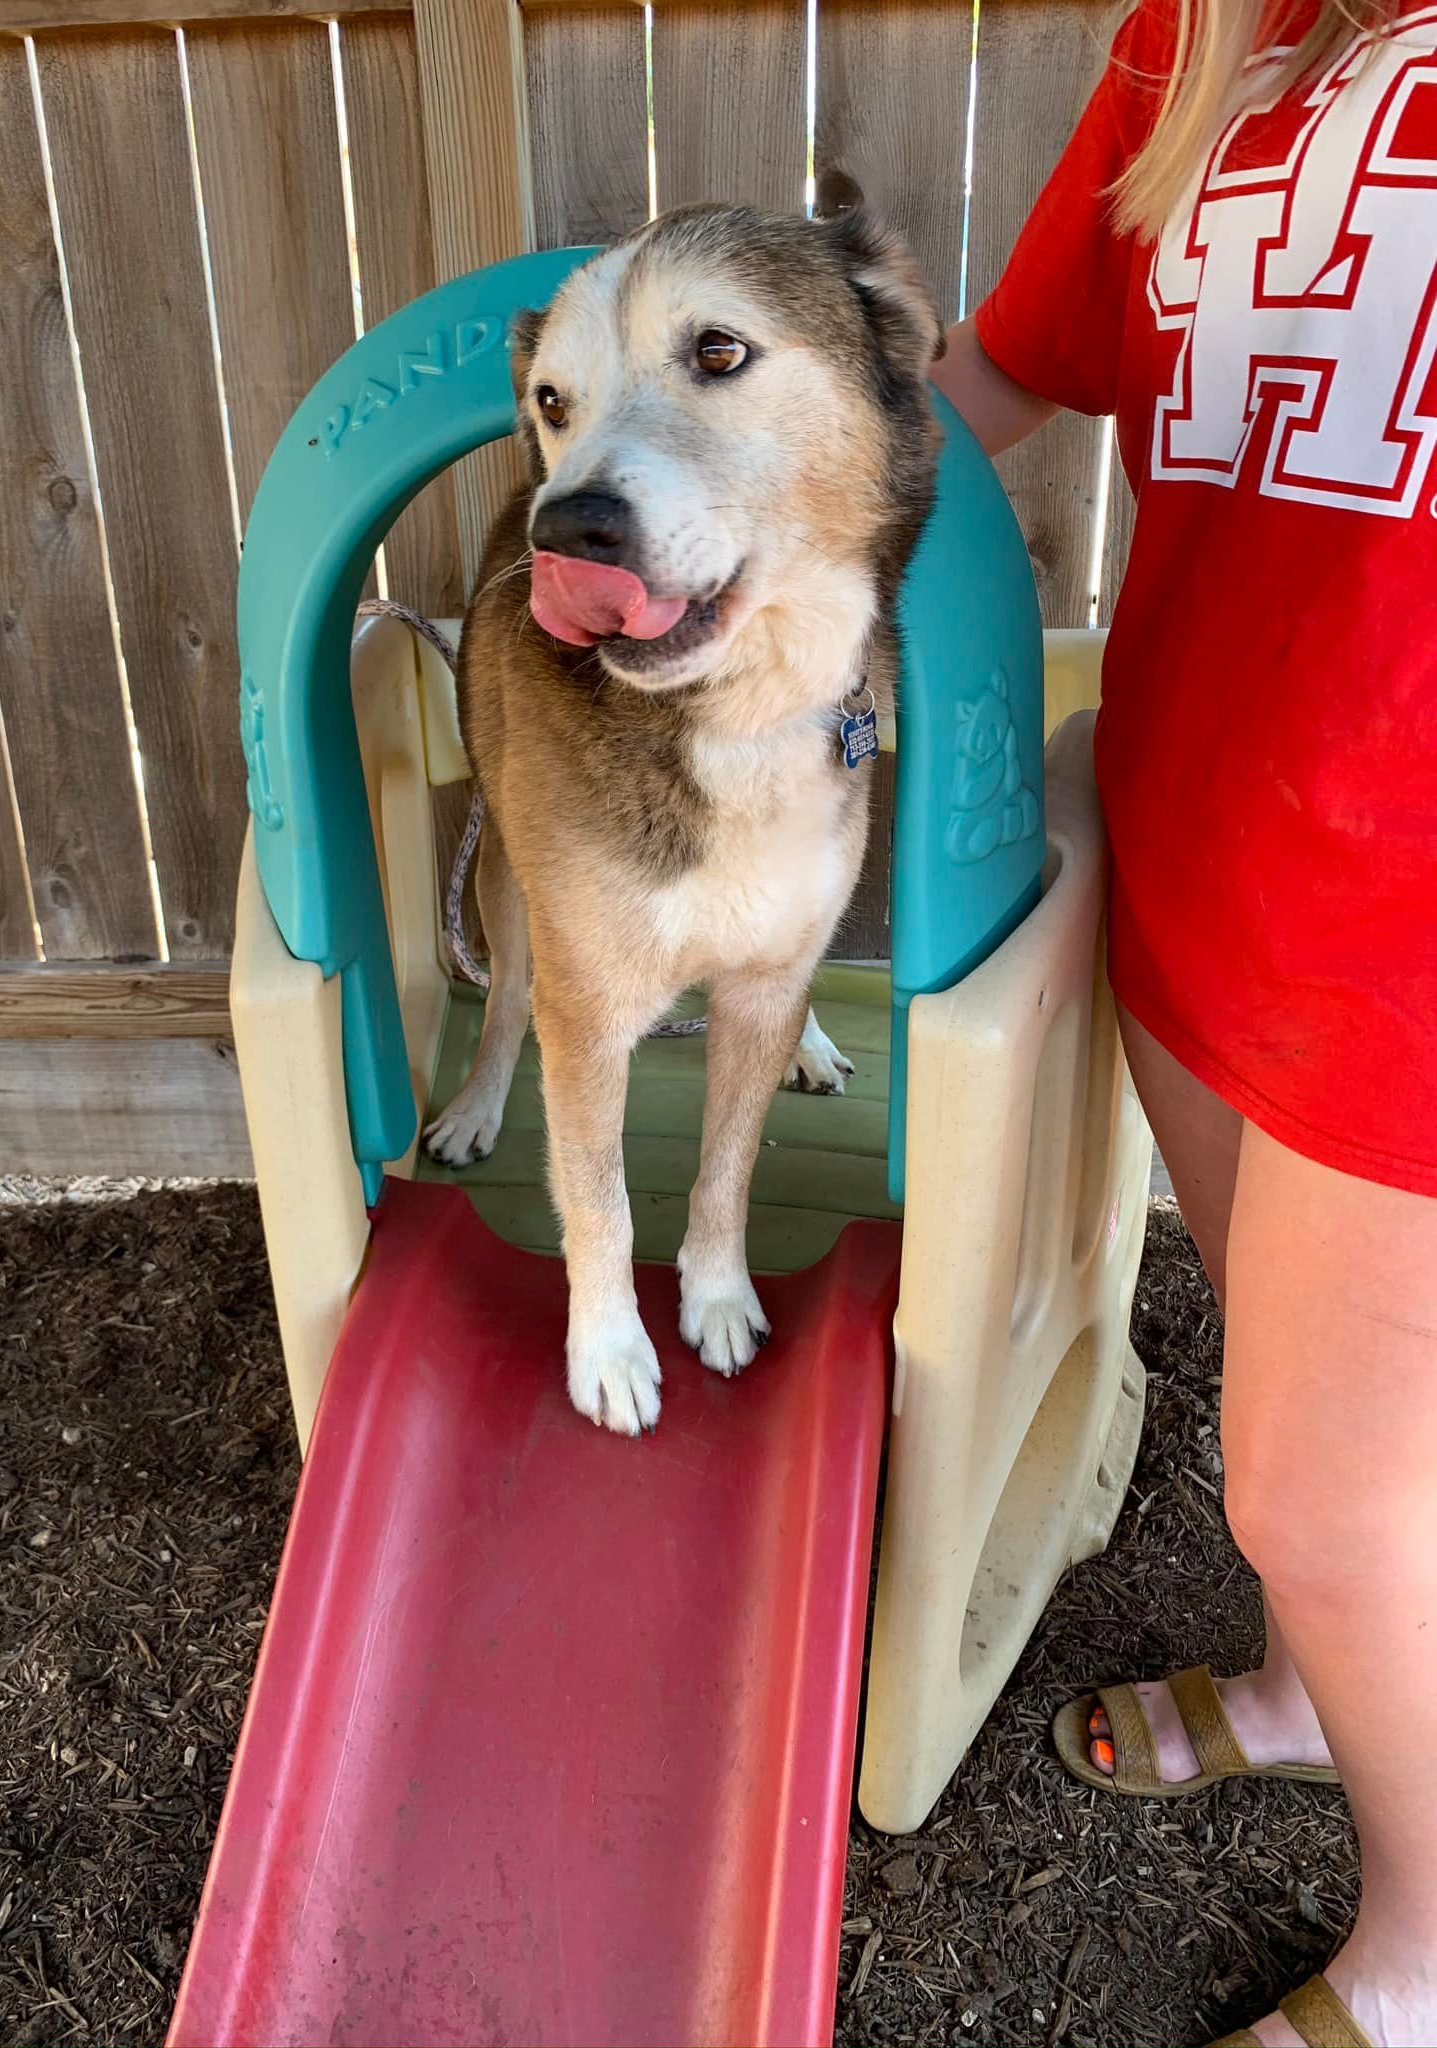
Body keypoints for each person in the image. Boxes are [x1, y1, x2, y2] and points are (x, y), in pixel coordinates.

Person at [930, 3, 1437, 2043]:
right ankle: (1317, 1691)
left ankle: (1426, 1954)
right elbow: (992, 378)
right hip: (1210, 856)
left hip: (1412, 940)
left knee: (1320, 1491)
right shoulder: (1203, 40)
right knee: (1278, 1360)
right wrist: (717, 486)